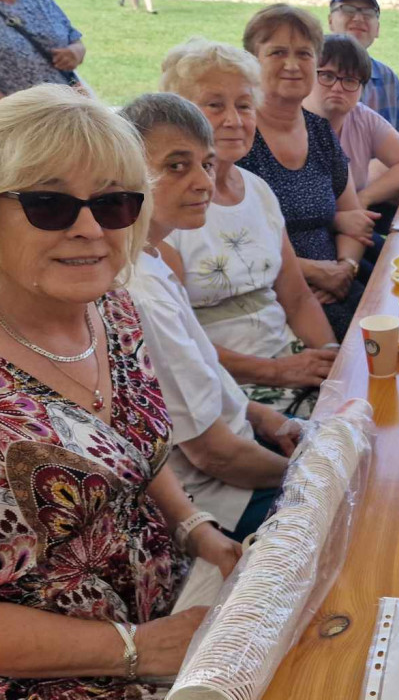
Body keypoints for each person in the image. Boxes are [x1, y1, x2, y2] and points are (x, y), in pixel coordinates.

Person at [0, 84, 241, 696]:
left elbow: (135, 448)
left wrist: (195, 529)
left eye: (113, 204)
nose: (88, 229)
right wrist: (134, 649)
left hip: (181, 618)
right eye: (49, 204)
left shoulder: (114, 309)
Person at [122, 93, 297, 541]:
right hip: (226, 502)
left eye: (206, 163)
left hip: (245, 454)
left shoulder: (154, 259)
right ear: (121, 172)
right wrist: (305, 474)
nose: (204, 182)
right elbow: (214, 456)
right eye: (177, 166)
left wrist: (261, 416)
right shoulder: (140, 293)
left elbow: (207, 386)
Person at [159, 37, 341, 415]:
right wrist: (279, 372)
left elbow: (297, 298)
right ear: (180, 116)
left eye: (244, 105)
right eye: (214, 105)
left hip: (293, 364)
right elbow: (178, 346)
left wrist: (332, 359)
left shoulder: (257, 190)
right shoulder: (166, 211)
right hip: (226, 392)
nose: (233, 120)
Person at [238, 4, 378, 341]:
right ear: (251, 62)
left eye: (304, 53)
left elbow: (353, 218)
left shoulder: (318, 131)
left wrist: (346, 268)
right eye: (277, 52)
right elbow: (233, 250)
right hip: (276, 300)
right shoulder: (237, 138)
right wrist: (316, 272)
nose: (292, 65)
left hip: (340, 284)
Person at [305, 33, 399, 234]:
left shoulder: (362, 118)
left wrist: (365, 198)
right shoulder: (291, 123)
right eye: (327, 75)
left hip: (353, 230)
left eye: (350, 80)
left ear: (362, 88)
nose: (337, 87)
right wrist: (340, 218)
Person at [328, 0, 399, 149]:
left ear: (377, 29)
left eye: (368, 12)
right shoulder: (312, 77)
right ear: (330, 21)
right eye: (348, 9)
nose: (359, 18)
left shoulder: (386, 77)